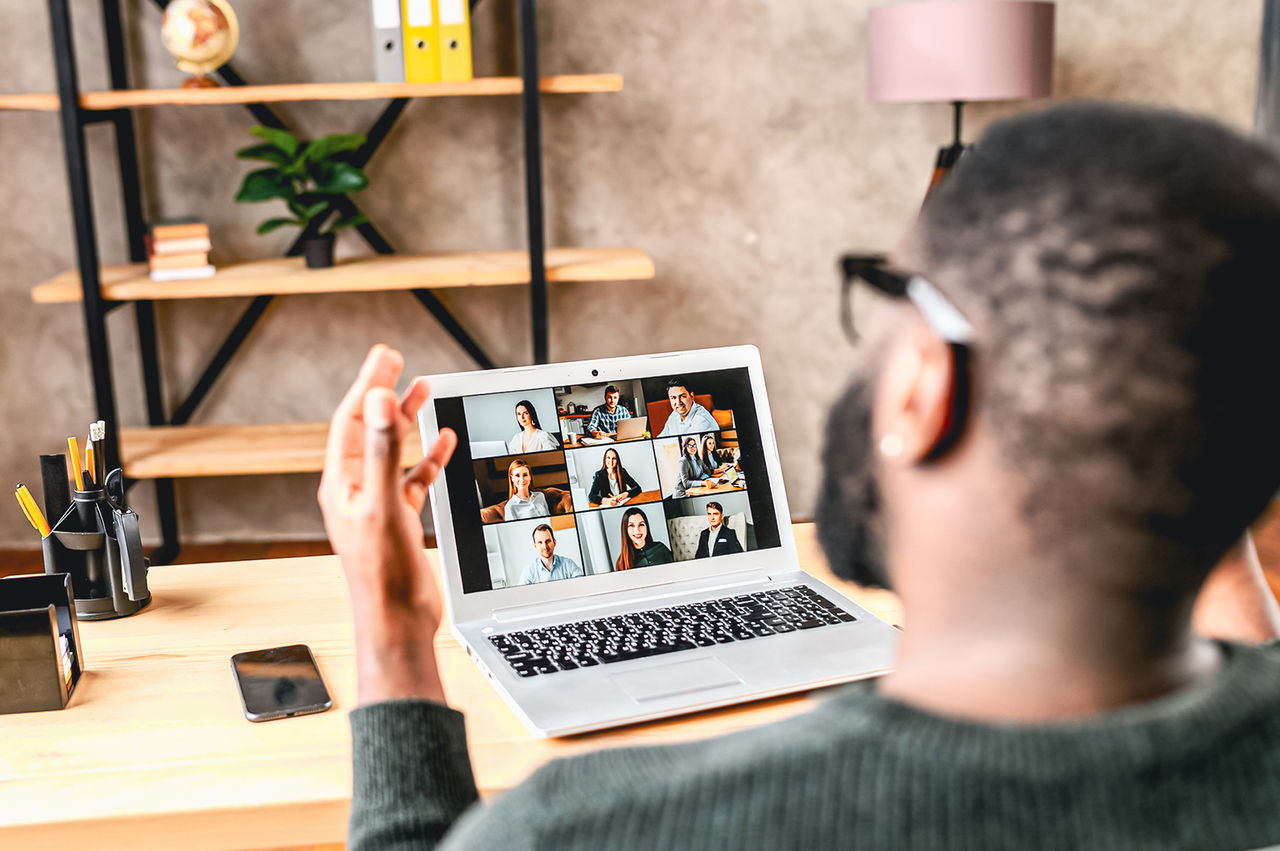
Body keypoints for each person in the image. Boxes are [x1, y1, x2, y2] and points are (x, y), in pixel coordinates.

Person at [321, 103, 1280, 851]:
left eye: (891, 296)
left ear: (925, 389)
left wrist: (395, 633)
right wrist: (1204, 459)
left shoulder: (588, 829)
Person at [518, 524, 584, 585]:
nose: (545, 546)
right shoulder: (529, 572)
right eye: (540, 542)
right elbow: (521, 595)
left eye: (547, 541)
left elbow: (582, 585)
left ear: (554, 542)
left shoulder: (569, 564)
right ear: (535, 546)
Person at [614, 506, 674, 571]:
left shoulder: (661, 548)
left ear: (646, 527)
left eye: (641, 524)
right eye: (631, 525)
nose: (637, 530)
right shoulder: (621, 563)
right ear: (625, 530)